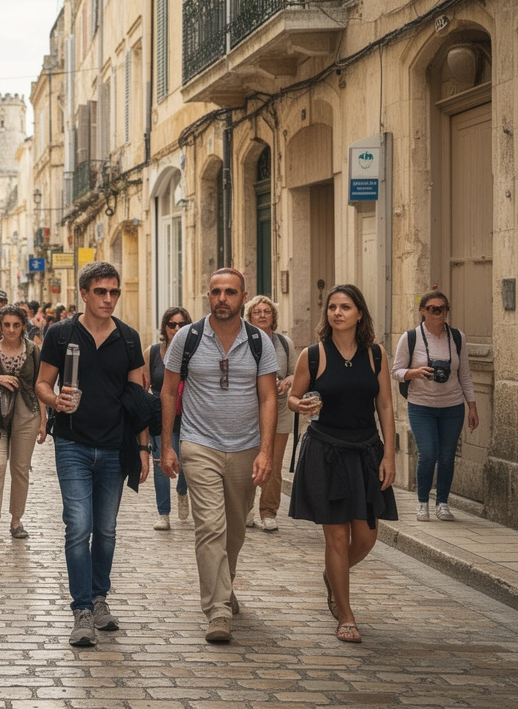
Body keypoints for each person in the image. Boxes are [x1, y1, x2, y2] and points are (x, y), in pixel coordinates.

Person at [159, 268, 279, 644]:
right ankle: (217, 609)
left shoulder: (260, 342)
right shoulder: (187, 338)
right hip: (199, 444)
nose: (222, 298)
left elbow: (268, 397)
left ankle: (223, 586)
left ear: (243, 296)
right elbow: (167, 391)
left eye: (230, 292)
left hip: (244, 447)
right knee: (210, 526)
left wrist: (265, 452)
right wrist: (167, 445)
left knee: (235, 529)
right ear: (207, 295)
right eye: (215, 292)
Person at [35, 262, 151, 647]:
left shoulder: (130, 339)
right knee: (78, 525)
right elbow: (41, 383)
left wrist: (143, 446)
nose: (108, 298)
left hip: (116, 447)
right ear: (83, 293)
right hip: (73, 443)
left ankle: (100, 598)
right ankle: (81, 608)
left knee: (105, 529)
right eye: (100, 291)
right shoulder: (61, 334)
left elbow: (137, 401)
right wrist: (56, 401)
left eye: (114, 292)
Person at [288, 284, 397, 644]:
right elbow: (293, 396)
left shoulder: (376, 355)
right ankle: (346, 614)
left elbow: (384, 406)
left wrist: (389, 455)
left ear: (359, 314)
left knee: (366, 536)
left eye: (345, 307)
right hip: (326, 453)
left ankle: (334, 576)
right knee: (336, 535)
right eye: (332, 307)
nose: (337, 312)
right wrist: (298, 405)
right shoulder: (313, 355)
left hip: (366, 451)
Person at [391, 291, 476, 521]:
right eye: (432, 308)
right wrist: (415, 373)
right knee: (428, 454)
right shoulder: (410, 338)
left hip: (453, 406)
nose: (437, 313)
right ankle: (422, 503)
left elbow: (465, 375)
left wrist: (472, 406)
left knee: (447, 457)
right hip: (421, 406)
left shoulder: (458, 337)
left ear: (447, 311)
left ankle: (442, 503)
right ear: (422, 311)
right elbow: (396, 372)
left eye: (442, 309)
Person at [0, 304, 45, 540]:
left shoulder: (33, 351)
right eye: (6, 325)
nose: (11, 330)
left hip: (27, 414)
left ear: (23, 327)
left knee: (20, 469)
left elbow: (41, 384)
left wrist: (43, 421)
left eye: (16, 325)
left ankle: (16, 520)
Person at [243, 295, 296, 533]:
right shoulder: (243, 341)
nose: (263, 315)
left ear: (273, 317)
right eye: (257, 312)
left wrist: (286, 383)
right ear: (250, 317)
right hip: (249, 409)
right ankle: (246, 508)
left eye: (267, 311)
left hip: (281, 409)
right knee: (247, 461)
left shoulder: (285, 343)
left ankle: (269, 512)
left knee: (273, 463)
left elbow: (296, 373)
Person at [144, 307, 192, 530]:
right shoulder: (152, 352)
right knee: (161, 463)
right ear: (164, 327)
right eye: (172, 324)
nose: (176, 329)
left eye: (181, 324)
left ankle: (182, 490)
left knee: (186, 463)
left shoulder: (193, 351)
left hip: (189, 415)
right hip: (160, 416)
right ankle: (163, 513)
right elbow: (143, 388)